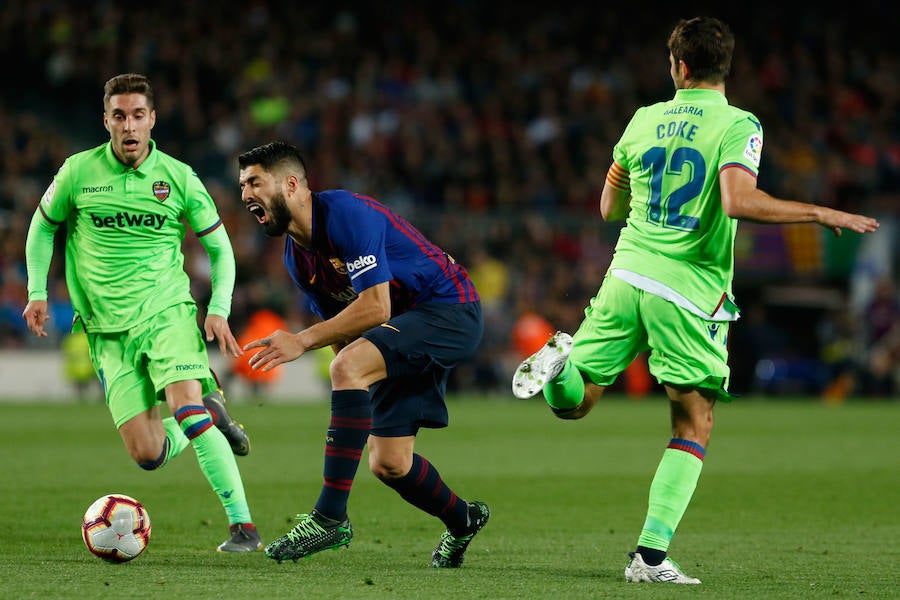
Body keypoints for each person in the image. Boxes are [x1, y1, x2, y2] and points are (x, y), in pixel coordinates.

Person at [512, 16, 880, 585]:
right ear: (722, 67)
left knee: (575, 401)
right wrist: (819, 211)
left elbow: (607, 208)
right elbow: (737, 201)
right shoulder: (739, 124)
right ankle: (650, 558)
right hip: (685, 292)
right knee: (694, 423)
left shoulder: (642, 119)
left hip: (625, 276)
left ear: (678, 67)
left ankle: (557, 364)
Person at [22, 73, 263, 552]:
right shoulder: (76, 172)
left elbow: (220, 247)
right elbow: (41, 228)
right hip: (105, 330)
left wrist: (217, 308)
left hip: (166, 311)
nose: (129, 126)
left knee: (186, 408)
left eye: (137, 115)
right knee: (148, 454)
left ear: (152, 119)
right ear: (106, 121)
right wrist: (36, 291)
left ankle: (244, 527)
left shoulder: (177, 177)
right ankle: (213, 415)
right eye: (119, 116)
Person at [236, 141, 489, 568]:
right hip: (399, 332)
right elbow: (348, 327)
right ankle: (464, 520)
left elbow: (375, 306)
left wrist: (303, 341)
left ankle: (329, 517)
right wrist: (354, 393)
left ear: (292, 184)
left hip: (448, 309)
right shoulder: (297, 257)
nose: (245, 195)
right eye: (242, 185)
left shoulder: (348, 215)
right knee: (389, 464)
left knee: (348, 364)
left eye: (255, 182)